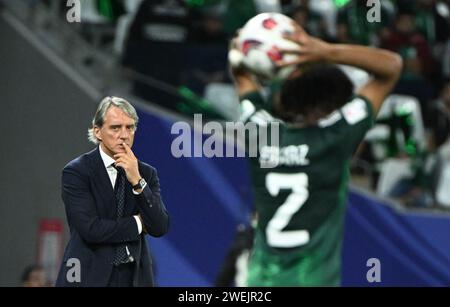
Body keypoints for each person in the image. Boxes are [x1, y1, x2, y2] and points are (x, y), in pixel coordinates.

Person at [229, 23, 402, 286]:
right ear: (333, 104)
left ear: (288, 101)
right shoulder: (338, 136)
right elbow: (391, 67)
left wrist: (241, 50)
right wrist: (325, 51)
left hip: (261, 283)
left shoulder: (262, 133)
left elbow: (242, 77)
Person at [55, 96, 169, 287]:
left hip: (133, 278)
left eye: (129, 127)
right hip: (87, 276)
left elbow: (159, 226)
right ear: (98, 131)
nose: (124, 135)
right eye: (115, 128)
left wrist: (137, 182)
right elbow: (91, 230)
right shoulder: (77, 172)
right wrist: (138, 223)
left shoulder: (146, 173)